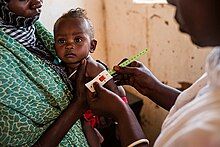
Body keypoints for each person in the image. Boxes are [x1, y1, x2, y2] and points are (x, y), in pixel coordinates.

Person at [75, 0, 220, 146]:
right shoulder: (216, 61)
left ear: (92, 45)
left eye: (177, 1)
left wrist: (122, 114)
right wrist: (155, 88)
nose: (170, 2)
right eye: (61, 40)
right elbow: (196, 102)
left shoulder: (211, 132)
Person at [0, 0, 121, 146]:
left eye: (77, 40)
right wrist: (80, 103)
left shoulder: (32, 29)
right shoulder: (4, 62)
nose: (37, 3)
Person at [53, 8, 126, 146]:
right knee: (85, 125)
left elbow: (115, 91)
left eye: (78, 39)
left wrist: (120, 123)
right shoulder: (59, 69)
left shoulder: (94, 68)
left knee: (87, 126)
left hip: (104, 108)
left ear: (92, 46)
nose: (69, 45)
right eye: (62, 41)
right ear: (54, 46)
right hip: (83, 112)